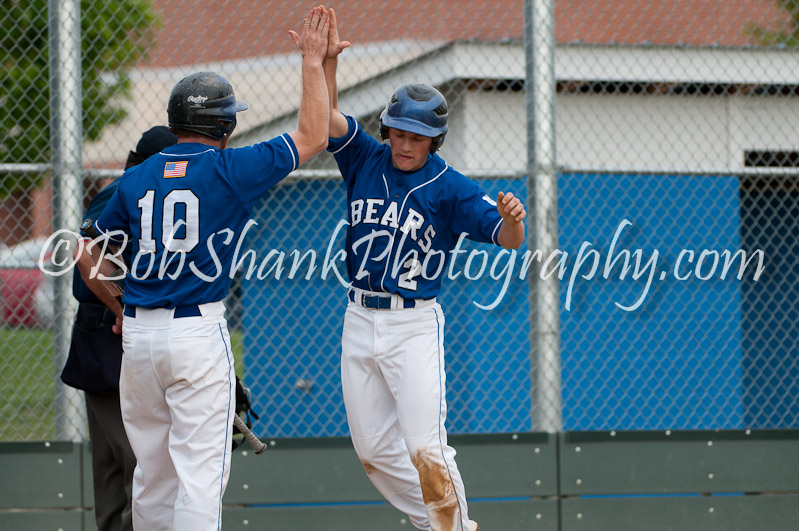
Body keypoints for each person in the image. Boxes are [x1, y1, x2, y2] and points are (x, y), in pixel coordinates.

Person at [90, 7, 330, 530]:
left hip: (139, 339)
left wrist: (124, 300)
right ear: (224, 125)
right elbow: (312, 137)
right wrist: (313, 63)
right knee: (199, 476)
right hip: (195, 333)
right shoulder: (229, 169)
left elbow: (95, 249)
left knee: (152, 476)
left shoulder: (136, 177)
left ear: (176, 122)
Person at [323, 9, 526, 531]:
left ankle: (453, 528)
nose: (405, 144)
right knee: (372, 451)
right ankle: (440, 523)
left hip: (413, 324)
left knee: (424, 446)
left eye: (416, 136)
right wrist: (323, 66)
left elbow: (505, 240)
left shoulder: (452, 186)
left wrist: (513, 222)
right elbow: (326, 118)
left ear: (435, 140)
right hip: (358, 317)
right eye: (398, 132)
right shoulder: (367, 158)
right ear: (387, 130)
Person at [60, 125, 178, 531]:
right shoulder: (125, 189)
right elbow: (85, 253)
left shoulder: (143, 191)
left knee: (114, 468)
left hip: (110, 335)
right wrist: (124, 309)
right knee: (137, 464)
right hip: (108, 336)